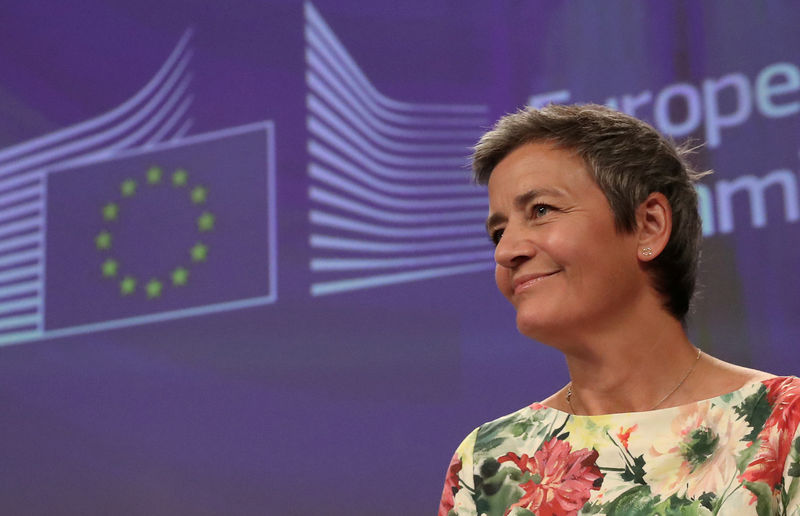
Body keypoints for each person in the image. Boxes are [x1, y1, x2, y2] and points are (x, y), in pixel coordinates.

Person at [438, 104, 800, 516]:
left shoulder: (784, 424)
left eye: (541, 211)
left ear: (648, 225)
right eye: (498, 232)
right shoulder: (489, 459)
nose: (506, 251)